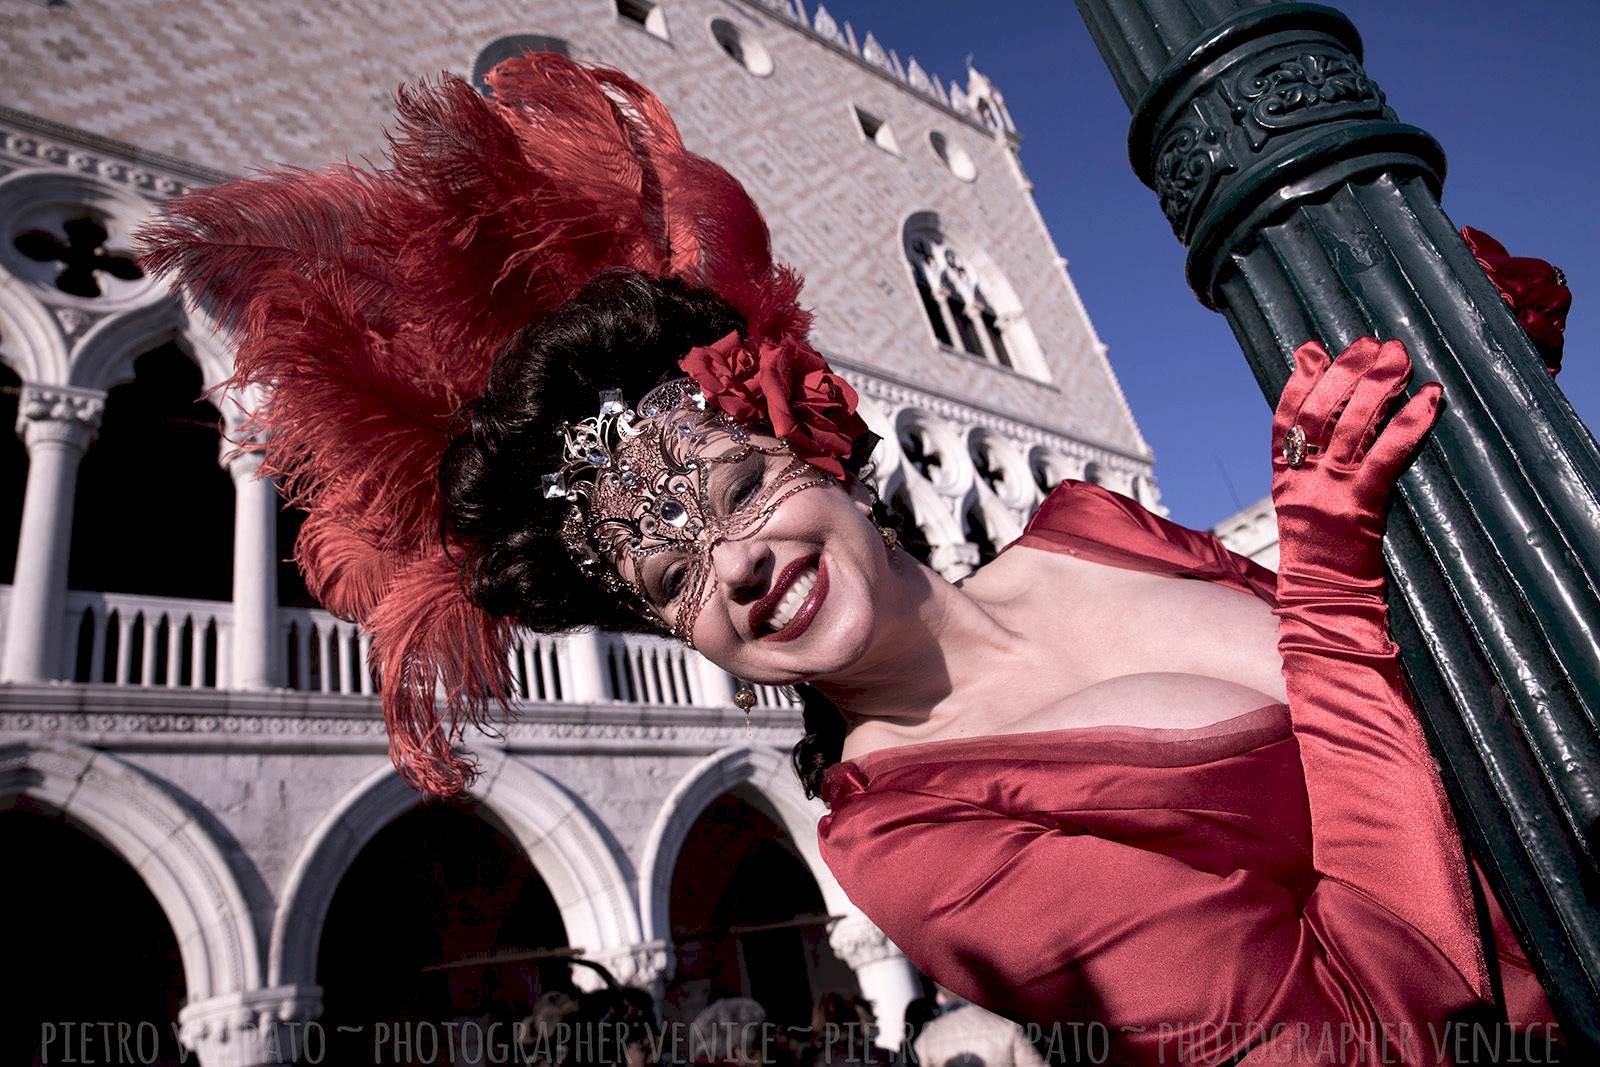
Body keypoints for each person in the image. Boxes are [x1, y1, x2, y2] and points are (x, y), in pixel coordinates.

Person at [137, 53, 1565, 1067]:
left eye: (736, 493)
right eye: (672, 577)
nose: (737, 567)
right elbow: (1366, 1038)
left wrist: (1433, 416)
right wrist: (1322, 566)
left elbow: (1433, 673)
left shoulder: (1093, 524)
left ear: (811, 442)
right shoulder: (916, 841)